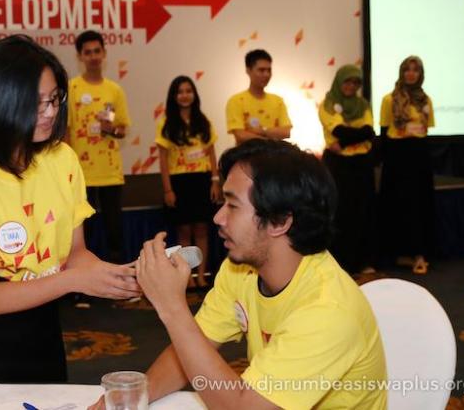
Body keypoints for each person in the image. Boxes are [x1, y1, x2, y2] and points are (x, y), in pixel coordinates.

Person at [91, 139, 387, 410]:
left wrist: (172, 307)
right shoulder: (241, 269)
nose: (218, 217)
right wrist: (133, 399)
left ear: (279, 222)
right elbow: (194, 345)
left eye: (232, 205)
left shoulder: (327, 310)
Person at [0, 35, 140, 391]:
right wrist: (73, 281)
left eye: (54, 99)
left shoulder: (62, 159)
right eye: (36, 103)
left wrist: (118, 277)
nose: (51, 112)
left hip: (42, 325)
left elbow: (75, 253)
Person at [66, 30, 132, 308]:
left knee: (114, 232)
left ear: (104, 54)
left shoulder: (114, 90)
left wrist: (111, 129)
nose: (93, 56)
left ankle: (119, 289)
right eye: (88, 52)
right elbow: (65, 131)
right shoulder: (71, 88)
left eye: (97, 51)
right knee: (85, 237)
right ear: (80, 56)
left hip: (110, 174)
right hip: (81, 176)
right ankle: (83, 290)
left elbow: (122, 130)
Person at [155, 76, 220, 289]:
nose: (185, 95)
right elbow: (163, 160)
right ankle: (188, 276)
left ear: (194, 94)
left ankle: (201, 276)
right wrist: (168, 190)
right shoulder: (166, 124)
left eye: (188, 91)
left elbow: (211, 153)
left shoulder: (203, 121)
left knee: (202, 229)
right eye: (180, 92)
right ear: (174, 96)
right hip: (179, 182)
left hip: (202, 180)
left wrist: (215, 181)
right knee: (183, 231)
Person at [379, 55, 435, 274]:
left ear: (421, 74)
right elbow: (384, 132)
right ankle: (398, 253)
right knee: (398, 202)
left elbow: (426, 129)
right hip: (397, 156)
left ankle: (419, 252)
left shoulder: (425, 100)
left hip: (419, 156)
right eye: (407, 70)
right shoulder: (389, 99)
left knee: (419, 203)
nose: (411, 74)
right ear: (401, 73)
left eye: (415, 70)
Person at [318, 65, 377, 275]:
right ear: (339, 81)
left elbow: (369, 132)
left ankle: (363, 262)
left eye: (356, 82)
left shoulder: (363, 104)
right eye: (348, 81)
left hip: (361, 165)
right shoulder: (328, 104)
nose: (351, 86)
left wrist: (343, 142)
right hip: (338, 166)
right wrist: (354, 135)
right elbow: (339, 130)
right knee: (340, 213)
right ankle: (340, 264)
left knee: (364, 213)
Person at [226, 49, 292, 144]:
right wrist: (270, 138)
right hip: (247, 153)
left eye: (269, 70)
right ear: (248, 71)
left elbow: (286, 132)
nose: (266, 74)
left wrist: (262, 131)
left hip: (274, 153)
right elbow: (240, 135)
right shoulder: (236, 101)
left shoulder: (277, 100)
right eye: (261, 70)